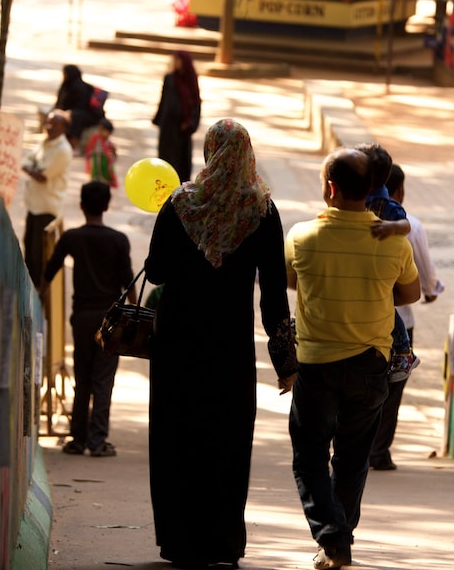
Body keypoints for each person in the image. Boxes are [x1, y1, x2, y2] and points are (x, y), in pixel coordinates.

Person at [144, 118, 298, 569]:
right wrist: (285, 361)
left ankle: (178, 542)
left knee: (176, 436)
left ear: (210, 152)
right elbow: (273, 296)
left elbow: (155, 271)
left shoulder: (179, 206)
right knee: (226, 439)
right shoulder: (262, 212)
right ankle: (221, 543)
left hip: (176, 343)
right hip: (229, 347)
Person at [284, 146, 421, 570]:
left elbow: (289, 281)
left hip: (318, 364)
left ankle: (333, 538)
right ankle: (341, 539)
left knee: (309, 457)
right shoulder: (393, 242)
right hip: (371, 365)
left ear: (330, 188)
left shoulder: (302, 237)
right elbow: (411, 295)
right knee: (352, 458)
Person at [40, 181, 137, 458]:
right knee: (103, 380)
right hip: (110, 321)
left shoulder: (71, 237)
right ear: (107, 206)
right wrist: (135, 313)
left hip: (82, 318)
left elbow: (50, 270)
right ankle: (97, 442)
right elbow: (127, 279)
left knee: (82, 379)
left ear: (81, 206)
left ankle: (77, 439)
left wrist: (40, 297)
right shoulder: (119, 240)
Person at [368, 163, 445, 472]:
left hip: (355, 318)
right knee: (392, 388)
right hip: (400, 321)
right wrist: (431, 290)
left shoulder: (345, 221)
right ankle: (379, 451)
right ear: (396, 192)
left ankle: (353, 446)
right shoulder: (409, 224)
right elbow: (426, 280)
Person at [356, 143, 420, 382]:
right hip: (367, 266)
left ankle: (404, 351)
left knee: (388, 308)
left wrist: (390, 227)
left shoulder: (386, 205)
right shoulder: (362, 199)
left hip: (379, 269)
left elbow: (406, 225)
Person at [22, 109, 73, 289]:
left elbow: (43, 175)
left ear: (64, 127)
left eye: (55, 124)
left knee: (39, 257)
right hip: (34, 205)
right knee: (29, 251)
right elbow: (26, 160)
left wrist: (30, 169)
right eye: (48, 123)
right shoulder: (46, 142)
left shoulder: (63, 150)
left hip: (47, 209)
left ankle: (38, 295)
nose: (50, 127)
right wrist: (31, 168)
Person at [152, 50, 202, 184]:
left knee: (182, 167)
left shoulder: (191, 80)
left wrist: (191, 123)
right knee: (166, 163)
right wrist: (159, 119)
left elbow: (196, 102)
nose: (176, 63)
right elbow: (164, 101)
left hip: (183, 131)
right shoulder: (170, 79)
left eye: (178, 60)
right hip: (168, 128)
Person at [54, 64, 105, 152]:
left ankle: (74, 145)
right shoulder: (66, 85)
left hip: (89, 115)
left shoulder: (82, 88)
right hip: (72, 112)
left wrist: (68, 112)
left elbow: (81, 106)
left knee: (75, 117)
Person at [84, 118, 118, 188]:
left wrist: (111, 161)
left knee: (104, 178)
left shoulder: (109, 143)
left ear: (109, 132)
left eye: (103, 130)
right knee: (95, 176)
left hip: (104, 163)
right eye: (99, 129)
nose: (100, 132)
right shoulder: (95, 139)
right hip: (96, 161)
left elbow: (114, 153)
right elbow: (89, 149)